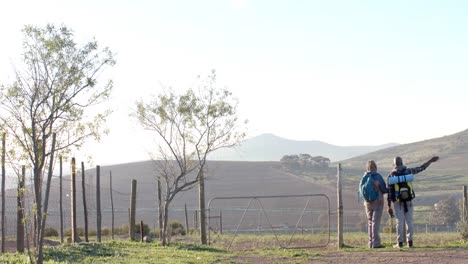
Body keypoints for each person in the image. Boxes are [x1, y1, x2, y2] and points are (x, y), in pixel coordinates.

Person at [387, 156, 439, 248]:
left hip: (398, 201)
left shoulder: (391, 175)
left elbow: (390, 193)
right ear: (402, 163)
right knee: (409, 221)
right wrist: (430, 160)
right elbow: (421, 168)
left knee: (399, 222)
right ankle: (410, 242)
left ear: (394, 164)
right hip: (409, 200)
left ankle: (399, 243)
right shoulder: (408, 171)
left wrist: (389, 206)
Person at [362, 160, 388, 248]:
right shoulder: (377, 176)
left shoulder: (364, 176)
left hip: (367, 202)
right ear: (375, 167)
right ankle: (376, 243)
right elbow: (384, 189)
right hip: (378, 201)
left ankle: (370, 243)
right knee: (375, 223)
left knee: (370, 222)